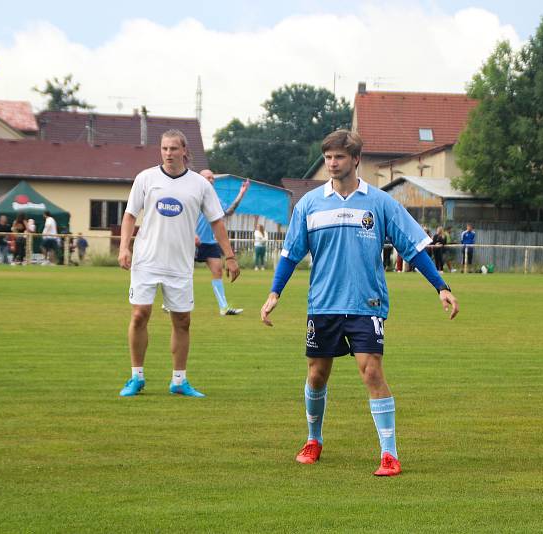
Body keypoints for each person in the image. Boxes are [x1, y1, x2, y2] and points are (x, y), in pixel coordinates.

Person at [260, 130, 458, 477]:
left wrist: (441, 286)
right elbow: (291, 254)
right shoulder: (310, 204)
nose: (332, 163)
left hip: (367, 303)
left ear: (355, 160)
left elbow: (412, 248)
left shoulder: (379, 203)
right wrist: (275, 292)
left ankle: (389, 454)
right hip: (323, 304)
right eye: (328, 158)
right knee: (317, 375)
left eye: (338, 157)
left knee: (371, 371)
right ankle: (313, 439)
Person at [117, 129, 241, 398]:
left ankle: (179, 380)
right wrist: (124, 247)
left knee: (182, 321)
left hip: (179, 265)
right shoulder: (146, 178)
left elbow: (217, 223)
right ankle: (136, 376)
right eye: (164, 148)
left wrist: (229, 256)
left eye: (173, 149)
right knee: (140, 315)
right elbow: (129, 216)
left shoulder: (200, 185)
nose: (168, 154)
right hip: (146, 261)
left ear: (184, 151)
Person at [194, 170, 249, 315]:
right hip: (191, 241)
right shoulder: (191, 195)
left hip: (209, 242)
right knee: (182, 273)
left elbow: (228, 212)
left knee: (217, 271)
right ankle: (169, 303)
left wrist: (241, 193)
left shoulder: (215, 199)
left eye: (212, 177)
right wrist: (191, 234)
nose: (211, 180)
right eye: (208, 177)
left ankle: (223, 308)